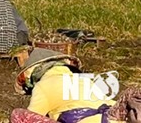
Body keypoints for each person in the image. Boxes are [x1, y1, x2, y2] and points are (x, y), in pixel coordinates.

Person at [11, 48, 141, 123]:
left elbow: (33, 114)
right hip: (114, 117)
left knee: (18, 115)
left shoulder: (43, 86)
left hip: (85, 120)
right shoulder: (84, 80)